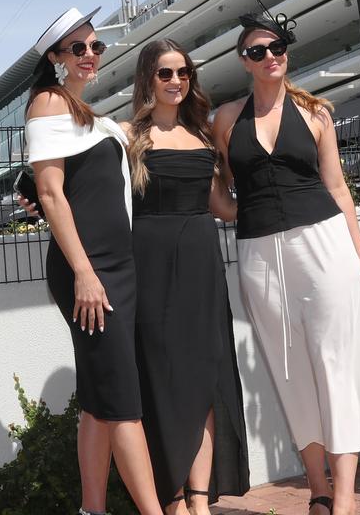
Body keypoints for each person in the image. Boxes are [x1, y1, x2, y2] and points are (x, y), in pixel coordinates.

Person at [212, 8, 360, 515]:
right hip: (259, 253)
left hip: (324, 245)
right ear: (244, 61)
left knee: (336, 365)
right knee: (289, 371)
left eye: (277, 48)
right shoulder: (225, 119)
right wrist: (257, 206)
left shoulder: (315, 113)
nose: (270, 57)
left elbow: (338, 187)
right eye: (258, 51)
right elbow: (220, 199)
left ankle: (346, 500)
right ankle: (318, 491)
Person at [25, 7, 165, 515]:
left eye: (95, 46)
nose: (90, 55)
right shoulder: (47, 103)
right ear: (56, 58)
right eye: (77, 48)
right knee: (123, 401)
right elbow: (51, 193)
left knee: (100, 401)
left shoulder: (97, 119)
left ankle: (91, 510)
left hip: (116, 268)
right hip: (90, 270)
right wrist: (84, 272)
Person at [123, 40, 250, 515]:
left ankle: (200, 502)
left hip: (201, 266)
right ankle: (171, 497)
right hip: (150, 268)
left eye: (184, 72)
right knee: (161, 382)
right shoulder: (127, 136)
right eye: (165, 73)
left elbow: (221, 206)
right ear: (147, 79)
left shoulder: (202, 135)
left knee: (206, 379)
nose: (176, 81)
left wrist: (274, 207)